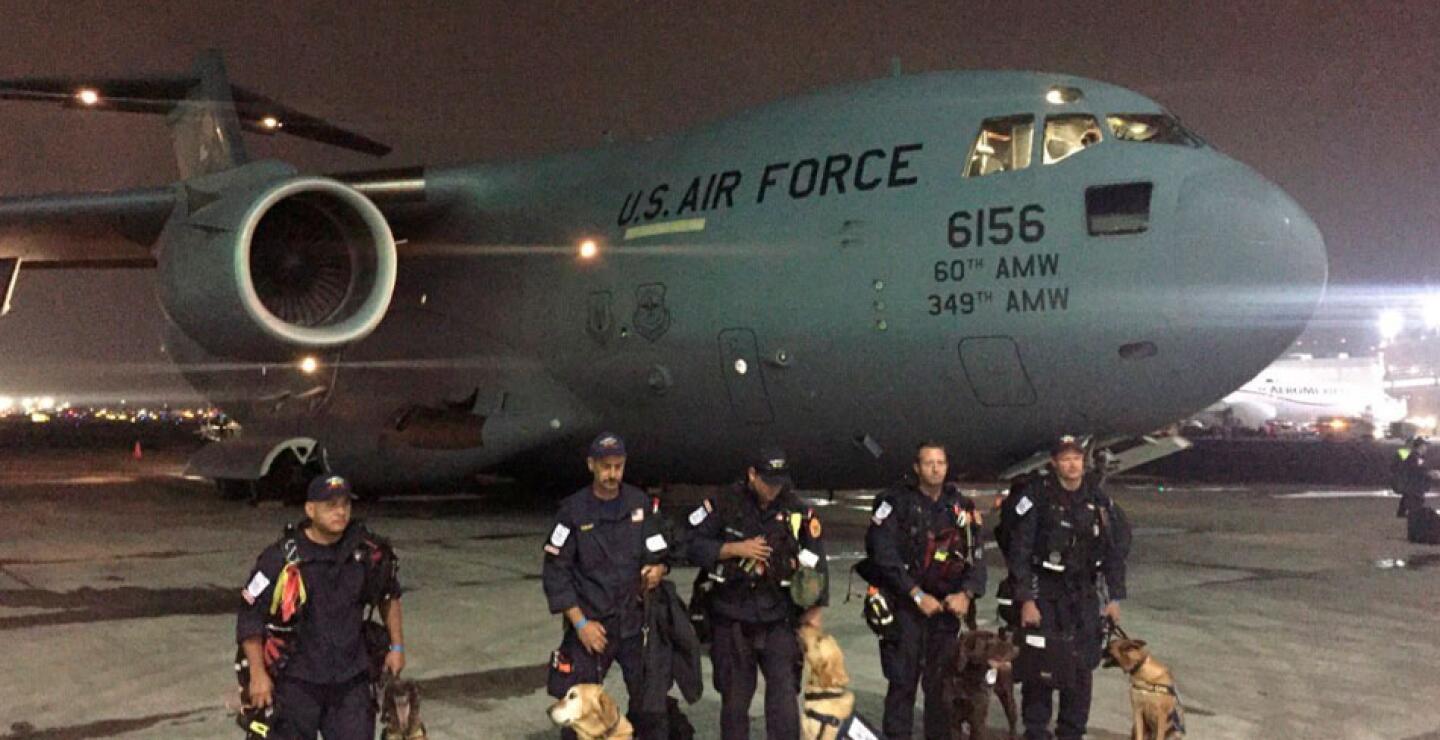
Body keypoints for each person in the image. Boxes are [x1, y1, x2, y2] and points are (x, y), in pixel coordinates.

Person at [236, 474, 405, 740]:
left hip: (350, 683)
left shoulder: (366, 553)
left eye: (345, 504)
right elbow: (250, 616)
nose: (341, 512)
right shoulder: (281, 558)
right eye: (331, 505)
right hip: (295, 682)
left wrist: (397, 647)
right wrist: (257, 674)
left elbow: (388, 594)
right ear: (310, 509)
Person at [685, 447, 827, 740]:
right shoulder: (724, 503)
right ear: (752, 474)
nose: (774, 489)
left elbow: (817, 560)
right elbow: (691, 545)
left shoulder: (796, 509)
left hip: (778, 617)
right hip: (732, 616)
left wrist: (814, 610)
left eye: (779, 482)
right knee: (735, 703)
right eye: (768, 482)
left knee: (784, 700)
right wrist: (732, 549)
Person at [542, 433, 672, 739]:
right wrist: (581, 624)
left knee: (652, 709)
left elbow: (660, 550)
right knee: (577, 715)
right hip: (592, 627)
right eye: (606, 467)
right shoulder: (573, 511)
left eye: (618, 466)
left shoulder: (639, 504)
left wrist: (659, 569)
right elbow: (555, 573)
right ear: (591, 465)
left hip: (634, 624)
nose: (612, 474)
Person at [1007, 436, 1128, 740]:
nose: (1072, 464)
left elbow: (1114, 552)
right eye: (1065, 459)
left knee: (1081, 666)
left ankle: (1072, 731)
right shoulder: (1038, 496)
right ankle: (1036, 731)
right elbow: (1020, 551)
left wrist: (1114, 597)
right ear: (1054, 463)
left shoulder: (1098, 500)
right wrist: (1026, 599)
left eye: (1077, 458)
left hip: (1083, 593)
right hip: (1045, 592)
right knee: (1040, 663)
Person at [863, 441, 987, 739]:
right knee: (902, 685)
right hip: (905, 608)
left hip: (944, 612)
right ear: (917, 468)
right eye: (929, 463)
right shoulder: (895, 503)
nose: (935, 469)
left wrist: (967, 594)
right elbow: (882, 553)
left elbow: (977, 555)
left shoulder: (961, 507)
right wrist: (916, 594)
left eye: (940, 463)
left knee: (942, 688)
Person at [1393, 436, 1430, 519]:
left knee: (1408, 496)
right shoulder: (1413, 456)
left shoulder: (1413, 455)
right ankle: (1411, 514)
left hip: (1409, 483)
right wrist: (1429, 474)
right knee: (1415, 498)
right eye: (1425, 445)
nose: (1426, 448)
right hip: (1413, 484)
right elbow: (1416, 470)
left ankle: (1402, 512)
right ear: (1421, 446)